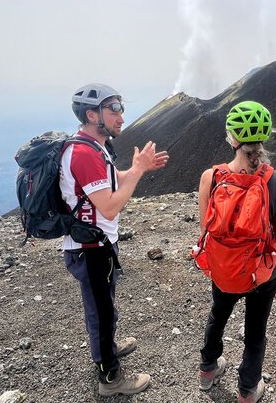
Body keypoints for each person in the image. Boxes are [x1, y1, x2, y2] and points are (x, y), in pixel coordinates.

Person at [60, 83, 169, 397]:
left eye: (122, 108)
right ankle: (110, 379)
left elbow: (110, 180)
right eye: (115, 109)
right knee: (101, 311)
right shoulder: (82, 152)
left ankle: (106, 347)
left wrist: (136, 169)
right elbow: (108, 206)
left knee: (103, 306)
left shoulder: (94, 147)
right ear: (92, 114)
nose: (122, 116)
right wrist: (138, 171)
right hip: (90, 248)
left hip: (96, 245)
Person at [196, 101, 276, 403]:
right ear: (265, 138)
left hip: (224, 266)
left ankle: (208, 371)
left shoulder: (211, 177)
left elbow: (207, 229)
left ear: (232, 137)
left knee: (218, 314)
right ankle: (248, 391)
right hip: (261, 271)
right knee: (255, 331)